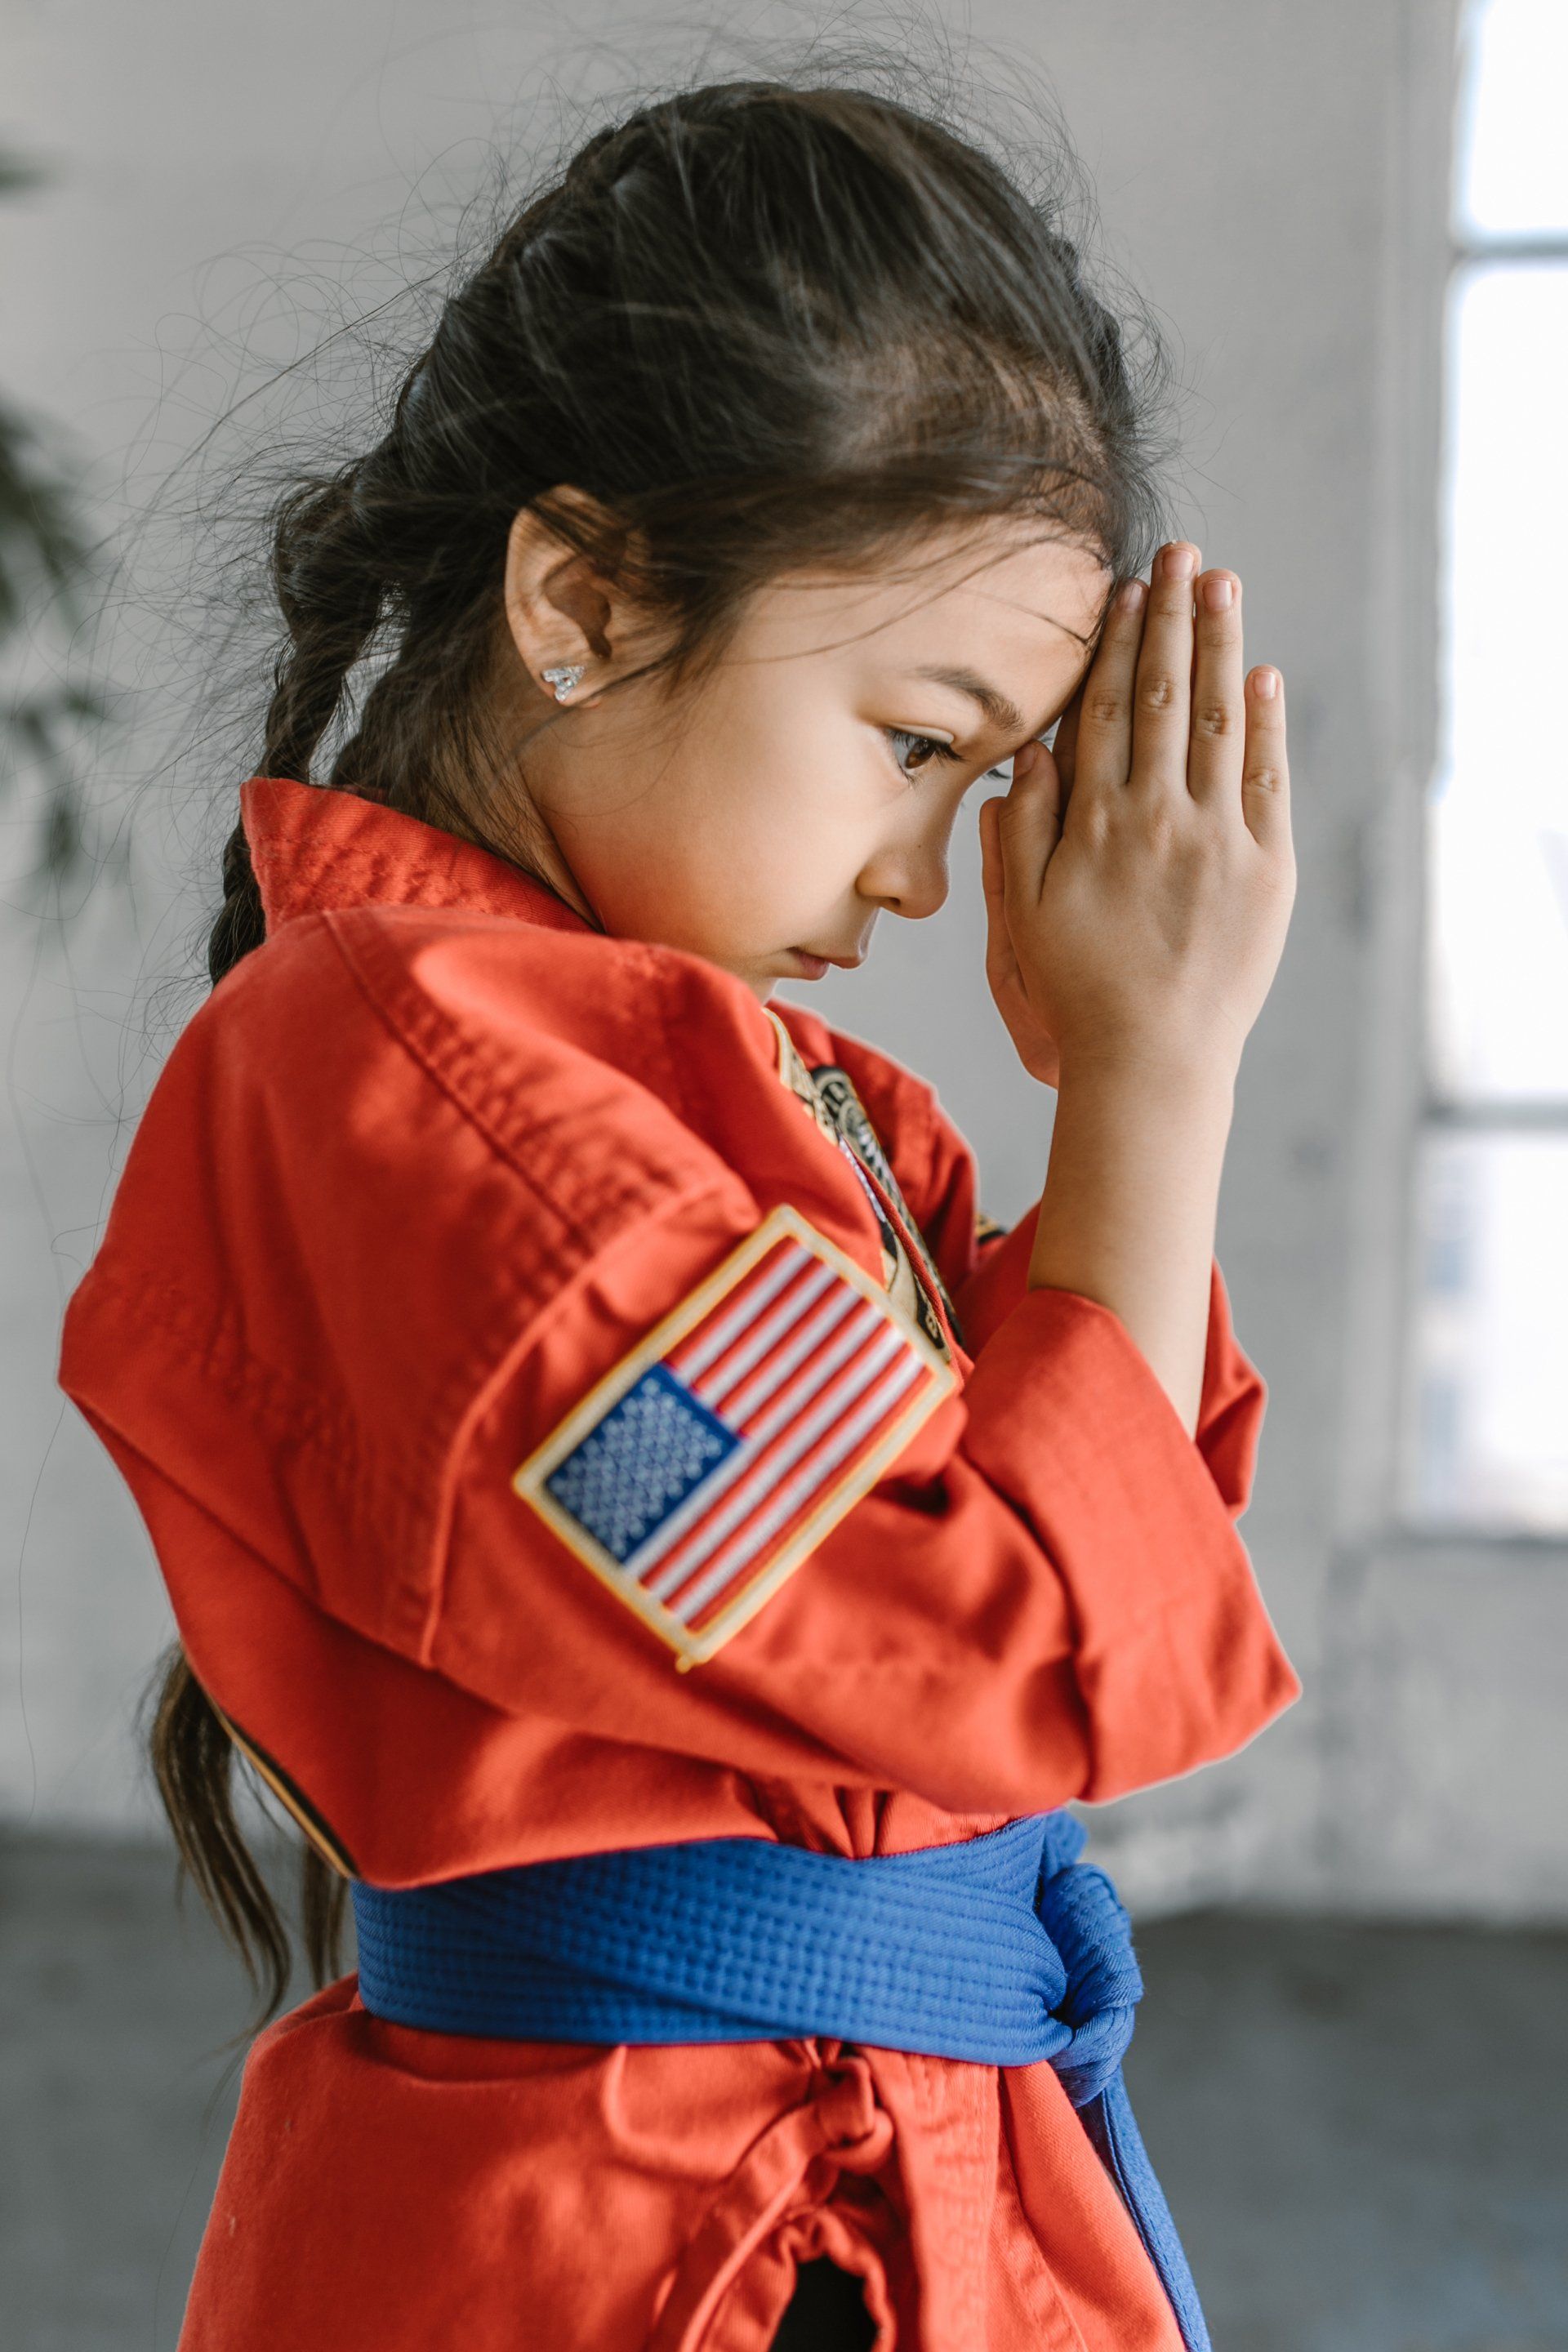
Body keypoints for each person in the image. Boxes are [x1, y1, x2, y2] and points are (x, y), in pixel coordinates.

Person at [60, 75, 1300, 2352]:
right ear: (589, 598)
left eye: (986, 782)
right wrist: (1154, 1075)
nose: (927, 867)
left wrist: (1113, 1091)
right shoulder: (446, 1103)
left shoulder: (767, 1094)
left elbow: (1128, 1539)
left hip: (846, 2174)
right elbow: (1009, 1655)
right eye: (916, 739)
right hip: (679, 2242)